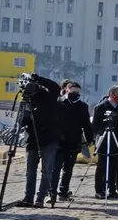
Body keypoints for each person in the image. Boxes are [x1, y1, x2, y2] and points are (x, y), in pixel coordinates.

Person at [15, 74, 62, 208]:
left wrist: (38, 78)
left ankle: (40, 198)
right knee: (30, 170)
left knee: (47, 169)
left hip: (49, 138)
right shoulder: (26, 100)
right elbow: (21, 120)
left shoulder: (48, 96)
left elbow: (56, 88)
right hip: (33, 139)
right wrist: (25, 118)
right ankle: (28, 197)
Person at [54, 80, 94, 201]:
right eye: (73, 92)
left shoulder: (82, 106)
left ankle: (63, 191)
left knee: (68, 169)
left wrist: (90, 139)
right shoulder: (58, 103)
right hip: (58, 142)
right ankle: (51, 191)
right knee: (54, 168)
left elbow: (86, 125)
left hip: (73, 142)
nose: (75, 95)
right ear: (67, 90)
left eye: (77, 93)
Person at [92, 85, 118, 200]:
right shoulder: (101, 107)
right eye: (117, 94)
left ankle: (112, 190)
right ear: (111, 95)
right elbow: (95, 125)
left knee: (114, 166)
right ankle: (99, 190)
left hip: (117, 140)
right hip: (104, 139)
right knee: (102, 166)